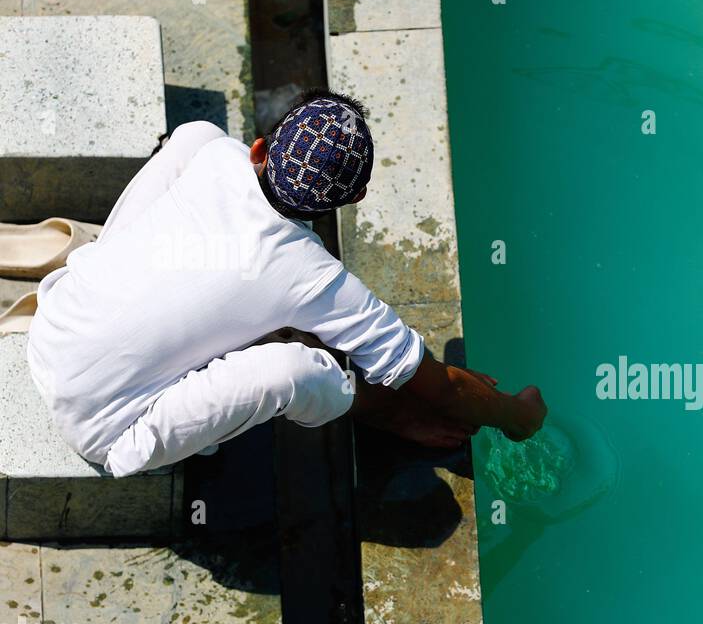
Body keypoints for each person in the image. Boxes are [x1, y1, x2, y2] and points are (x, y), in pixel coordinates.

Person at [26, 89, 546, 478]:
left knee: (195, 135)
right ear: (356, 197)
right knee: (296, 370)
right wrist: (516, 414)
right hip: (110, 430)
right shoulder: (313, 275)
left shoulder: (220, 161)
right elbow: (431, 381)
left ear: (257, 150)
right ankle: (377, 412)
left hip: (51, 327)